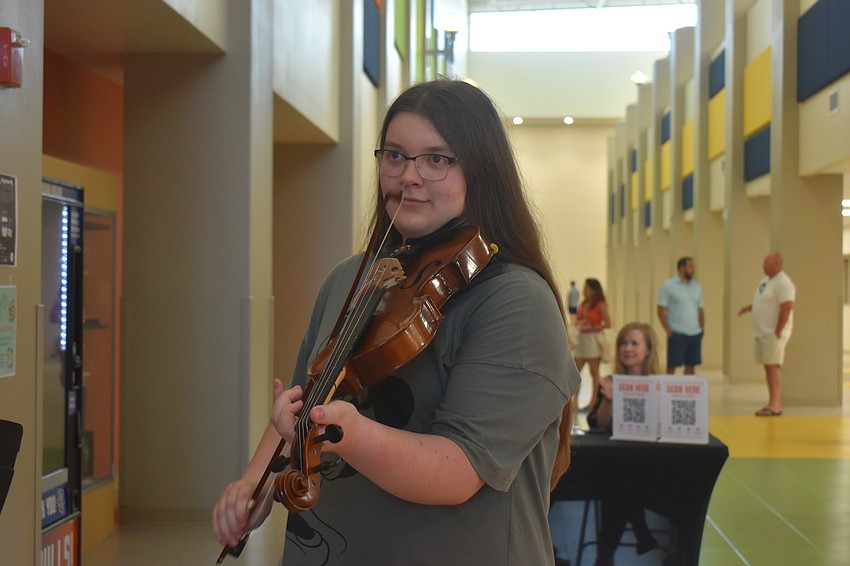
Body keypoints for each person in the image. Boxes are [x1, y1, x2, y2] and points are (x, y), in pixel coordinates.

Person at [211, 79, 581, 566]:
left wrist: (350, 431)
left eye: (437, 159)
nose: (409, 175)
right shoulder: (354, 275)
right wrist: (254, 487)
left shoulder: (515, 300)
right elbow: (308, 392)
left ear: (482, 171)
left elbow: (460, 469)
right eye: (394, 155)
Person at [586, 322, 662, 566]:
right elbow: (597, 424)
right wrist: (608, 400)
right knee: (621, 482)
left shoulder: (659, 386)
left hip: (650, 467)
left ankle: (605, 555)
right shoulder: (609, 381)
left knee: (623, 485)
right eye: (623, 343)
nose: (627, 348)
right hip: (615, 466)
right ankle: (639, 535)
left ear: (648, 350)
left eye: (634, 343)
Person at [737, 252, 795, 416]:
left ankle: (776, 404)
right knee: (767, 366)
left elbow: (787, 306)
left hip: (773, 333)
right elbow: (763, 301)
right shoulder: (766, 281)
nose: (763, 265)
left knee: (773, 366)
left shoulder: (784, 283)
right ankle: (771, 401)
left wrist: (778, 331)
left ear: (777, 263)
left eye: (766, 262)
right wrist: (749, 308)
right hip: (763, 332)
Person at [656, 256, 704, 375]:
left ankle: (688, 391)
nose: (693, 270)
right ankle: (668, 391)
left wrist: (701, 328)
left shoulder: (696, 287)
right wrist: (669, 331)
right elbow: (660, 311)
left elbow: (700, 309)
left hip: (694, 333)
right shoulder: (668, 286)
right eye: (690, 267)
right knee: (672, 365)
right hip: (677, 333)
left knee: (691, 365)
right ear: (682, 268)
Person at [573, 278, 612, 410]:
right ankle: (574, 402)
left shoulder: (600, 305)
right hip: (582, 340)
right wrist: (580, 324)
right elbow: (577, 320)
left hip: (593, 341)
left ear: (593, 290)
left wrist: (593, 327)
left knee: (594, 372)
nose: (584, 290)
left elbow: (608, 323)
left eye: (587, 288)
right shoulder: (583, 304)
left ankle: (593, 401)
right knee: (575, 370)